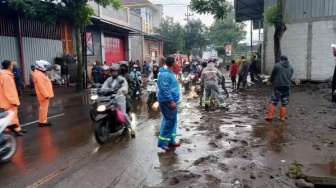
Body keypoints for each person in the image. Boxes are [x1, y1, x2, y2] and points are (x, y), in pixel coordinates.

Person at [102, 64, 135, 137]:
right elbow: (104, 87)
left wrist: (122, 89)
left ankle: (131, 128)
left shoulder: (122, 79)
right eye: (112, 71)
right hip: (110, 98)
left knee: (123, 114)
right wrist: (101, 90)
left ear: (118, 71)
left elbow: (125, 87)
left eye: (115, 71)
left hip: (119, 98)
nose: (113, 73)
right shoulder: (109, 79)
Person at [157, 57, 180, 151]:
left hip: (172, 101)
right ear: (172, 64)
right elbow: (165, 89)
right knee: (170, 121)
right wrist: (170, 100)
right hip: (167, 101)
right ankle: (163, 142)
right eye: (175, 62)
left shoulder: (170, 73)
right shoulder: (165, 75)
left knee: (173, 121)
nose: (177, 64)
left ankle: (171, 140)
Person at [0, 60, 27, 135]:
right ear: (9, 66)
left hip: (7, 101)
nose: (12, 66)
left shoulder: (6, 75)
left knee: (14, 115)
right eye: (11, 65)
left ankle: (17, 129)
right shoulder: (6, 77)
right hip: (8, 102)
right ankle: (12, 132)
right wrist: (13, 101)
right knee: (11, 116)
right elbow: (8, 91)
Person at [264, 55, 293, 121]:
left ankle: (270, 116)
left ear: (280, 59)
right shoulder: (291, 67)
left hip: (278, 86)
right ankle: (282, 117)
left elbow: (273, 74)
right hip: (287, 87)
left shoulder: (277, 65)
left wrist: (270, 81)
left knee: (273, 101)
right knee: (284, 102)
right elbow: (290, 76)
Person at [33, 60, 54, 126]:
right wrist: (46, 94)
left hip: (44, 94)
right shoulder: (39, 75)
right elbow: (41, 86)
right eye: (45, 66)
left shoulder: (40, 73)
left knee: (44, 108)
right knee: (43, 108)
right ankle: (42, 122)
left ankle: (42, 121)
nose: (46, 67)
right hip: (43, 95)